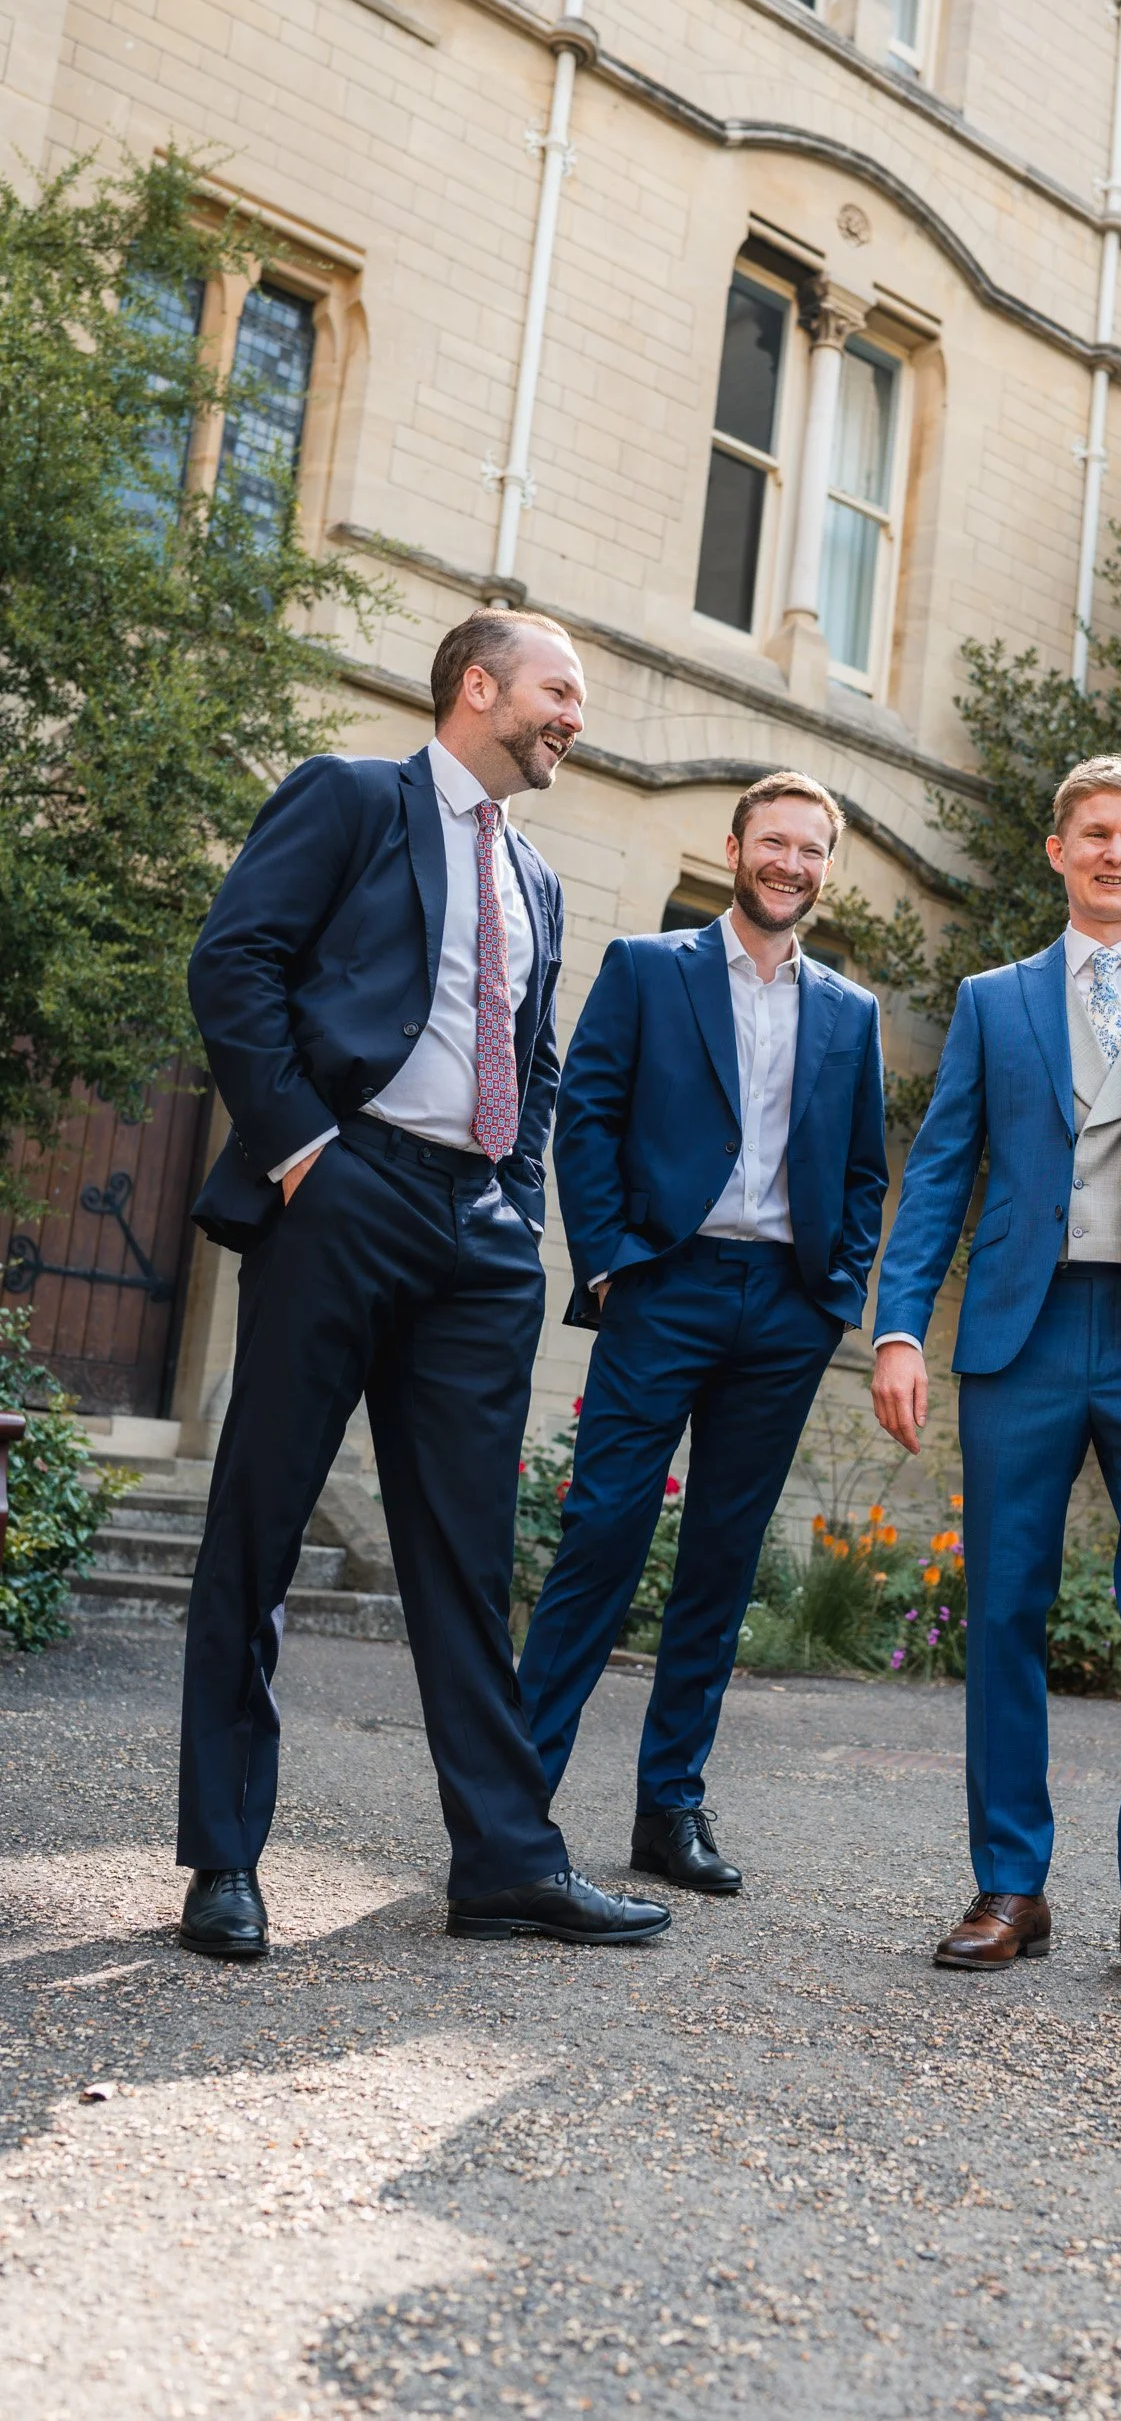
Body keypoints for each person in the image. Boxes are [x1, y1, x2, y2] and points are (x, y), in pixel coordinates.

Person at [175, 608, 670, 1959]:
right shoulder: (349, 799)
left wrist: (516, 1199)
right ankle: (223, 1859)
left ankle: (507, 1865)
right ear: (475, 686)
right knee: (260, 1526)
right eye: (558, 690)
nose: (575, 716)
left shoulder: (542, 878)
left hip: (479, 1235)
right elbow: (235, 964)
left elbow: (540, 1057)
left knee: (464, 1553)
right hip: (343, 1191)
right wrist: (303, 1155)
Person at [870, 755, 1121, 1993]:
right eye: (1091, 832)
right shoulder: (995, 1001)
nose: (1111, 850)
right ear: (1056, 852)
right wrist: (897, 1328)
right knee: (999, 1604)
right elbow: (941, 1170)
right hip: (1021, 1334)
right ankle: (1010, 1886)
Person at [519, 772, 889, 1893]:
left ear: (826, 868)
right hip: (662, 1286)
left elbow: (866, 1170)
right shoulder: (648, 969)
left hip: (783, 1309)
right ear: (733, 847)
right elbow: (583, 1116)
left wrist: (833, 1293)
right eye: (772, 842)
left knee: (720, 1565)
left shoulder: (851, 1011)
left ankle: (666, 1812)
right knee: (602, 1539)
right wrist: (617, 1265)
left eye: (810, 849)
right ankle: (512, 1803)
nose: (790, 863)